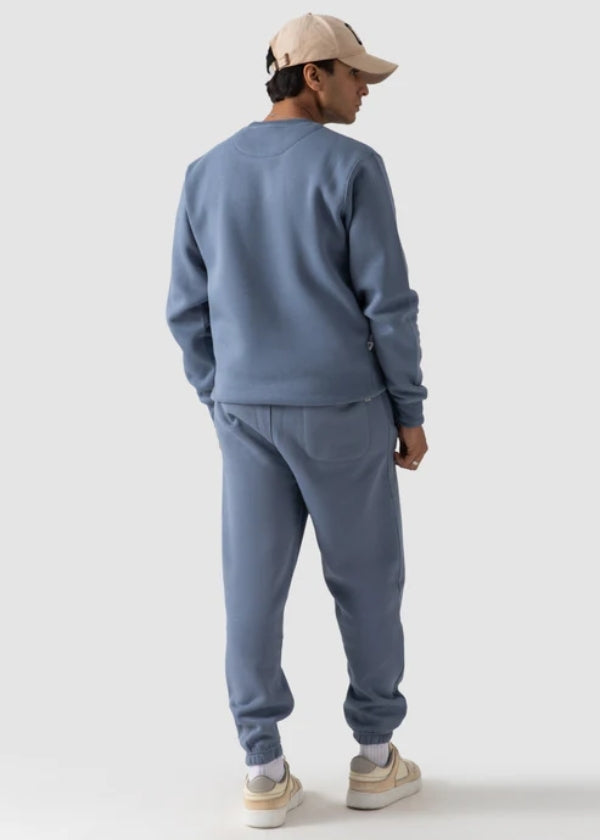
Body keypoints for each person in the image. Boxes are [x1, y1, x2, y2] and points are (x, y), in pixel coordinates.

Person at [165, 12, 428, 828]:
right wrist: (410, 410)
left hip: (247, 414)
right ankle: (376, 761)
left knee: (251, 586)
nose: (365, 91)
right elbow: (388, 305)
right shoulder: (353, 167)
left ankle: (263, 770)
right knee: (367, 581)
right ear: (313, 76)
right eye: (355, 76)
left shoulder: (206, 172)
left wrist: (223, 395)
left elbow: (186, 312)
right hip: (344, 410)